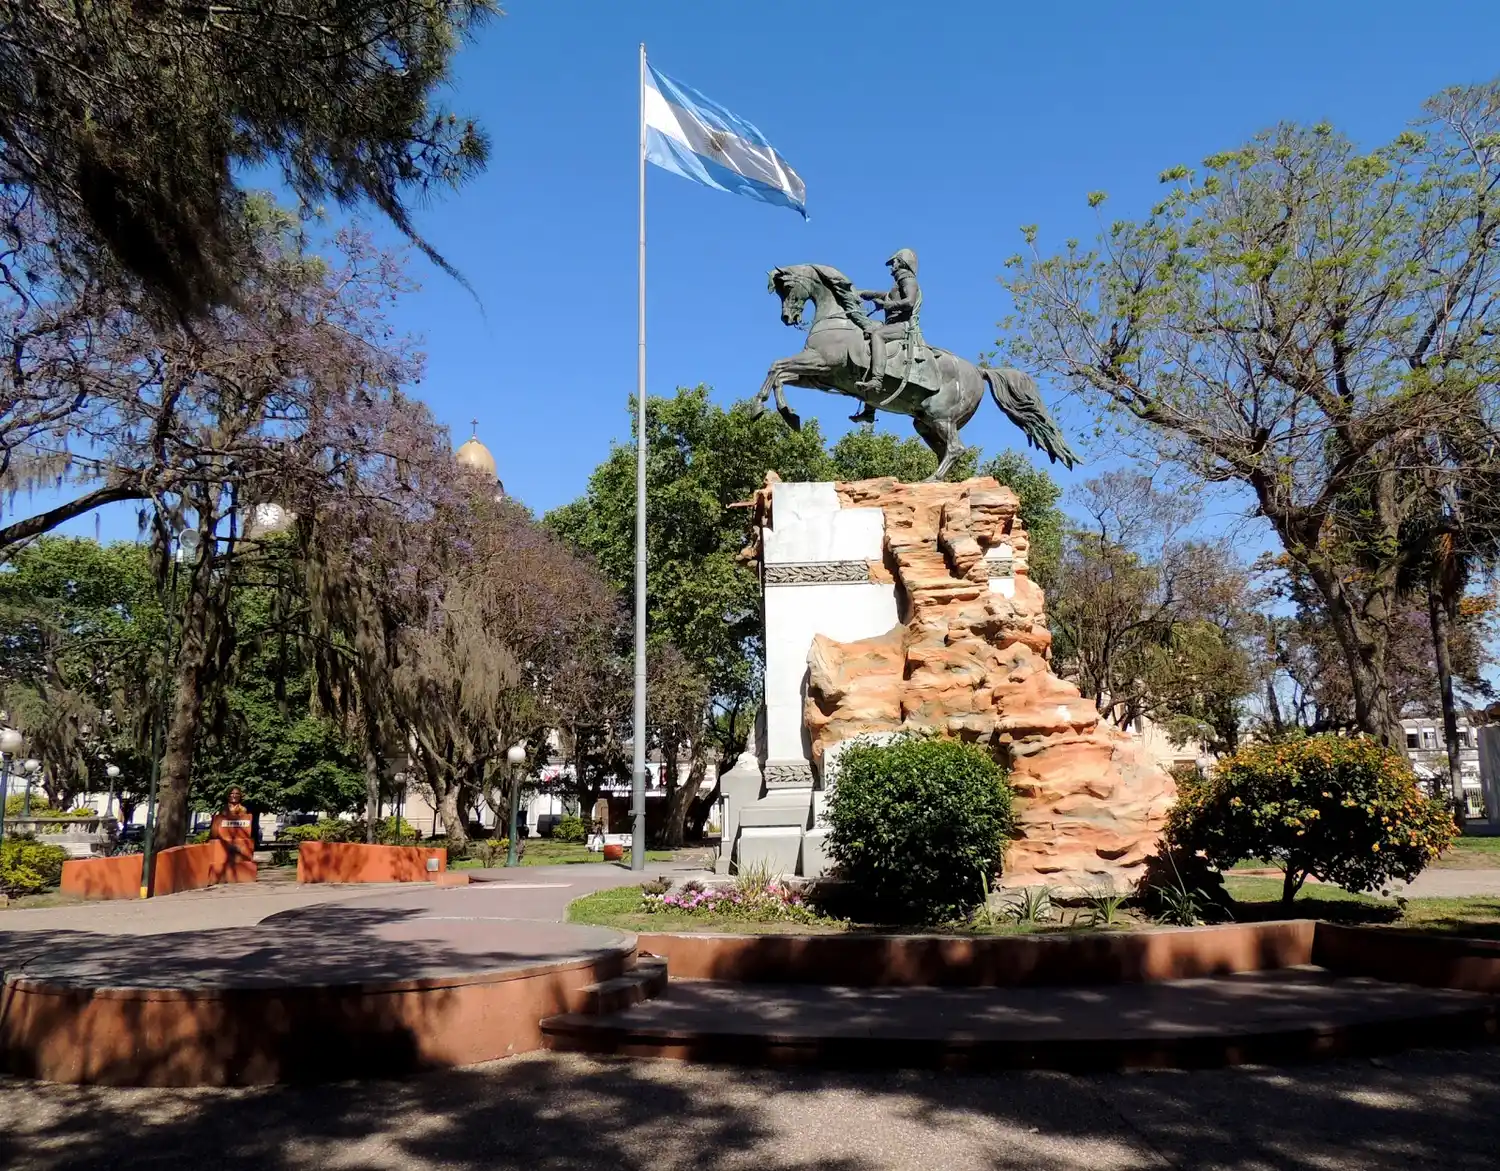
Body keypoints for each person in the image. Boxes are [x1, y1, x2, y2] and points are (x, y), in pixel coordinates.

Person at [853, 248, 923, 421]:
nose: (891, 266)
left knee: (877, 335)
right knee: (868, 333)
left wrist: (886, 306)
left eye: (894, 262)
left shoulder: (908, 280)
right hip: (893, 325)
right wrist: (861, 293)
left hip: (904, 327)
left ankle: (877, 380)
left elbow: (909, 302)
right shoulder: (898, 284)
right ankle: (869, 411)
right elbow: (882, 294)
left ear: (902, 262)